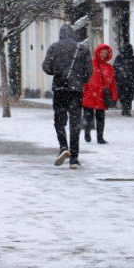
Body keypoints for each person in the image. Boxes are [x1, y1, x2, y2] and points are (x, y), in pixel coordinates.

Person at [41, 25, 93, 169]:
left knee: (59, 120)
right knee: (75, 124)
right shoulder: (82, 48)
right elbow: (89, 70)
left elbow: (46, 67)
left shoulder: (54, 47)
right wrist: (79, 80)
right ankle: (74, 159)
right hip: (76, 91)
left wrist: (57, 72)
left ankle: (63, 147)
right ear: (73, 34)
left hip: (59, 89)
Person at [83, 43, 118, 145]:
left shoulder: (109, 67)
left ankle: (100, 137)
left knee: (100, 118)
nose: (103, 55)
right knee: (88, 117)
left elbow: (112, 83)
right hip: (90, 94)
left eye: (105, 53)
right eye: (102, 52)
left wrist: (114, 96)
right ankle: (87, 133)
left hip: (102, 96)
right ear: (98, 53)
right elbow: (84, 80)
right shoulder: (90, 64)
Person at [113, 43, 134, 117]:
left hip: (121, 81)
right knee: (129, 97)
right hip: (129, 81)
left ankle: (125, 110)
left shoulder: (119, 58)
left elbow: (114, 69)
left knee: (123, 96)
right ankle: (127, 110)